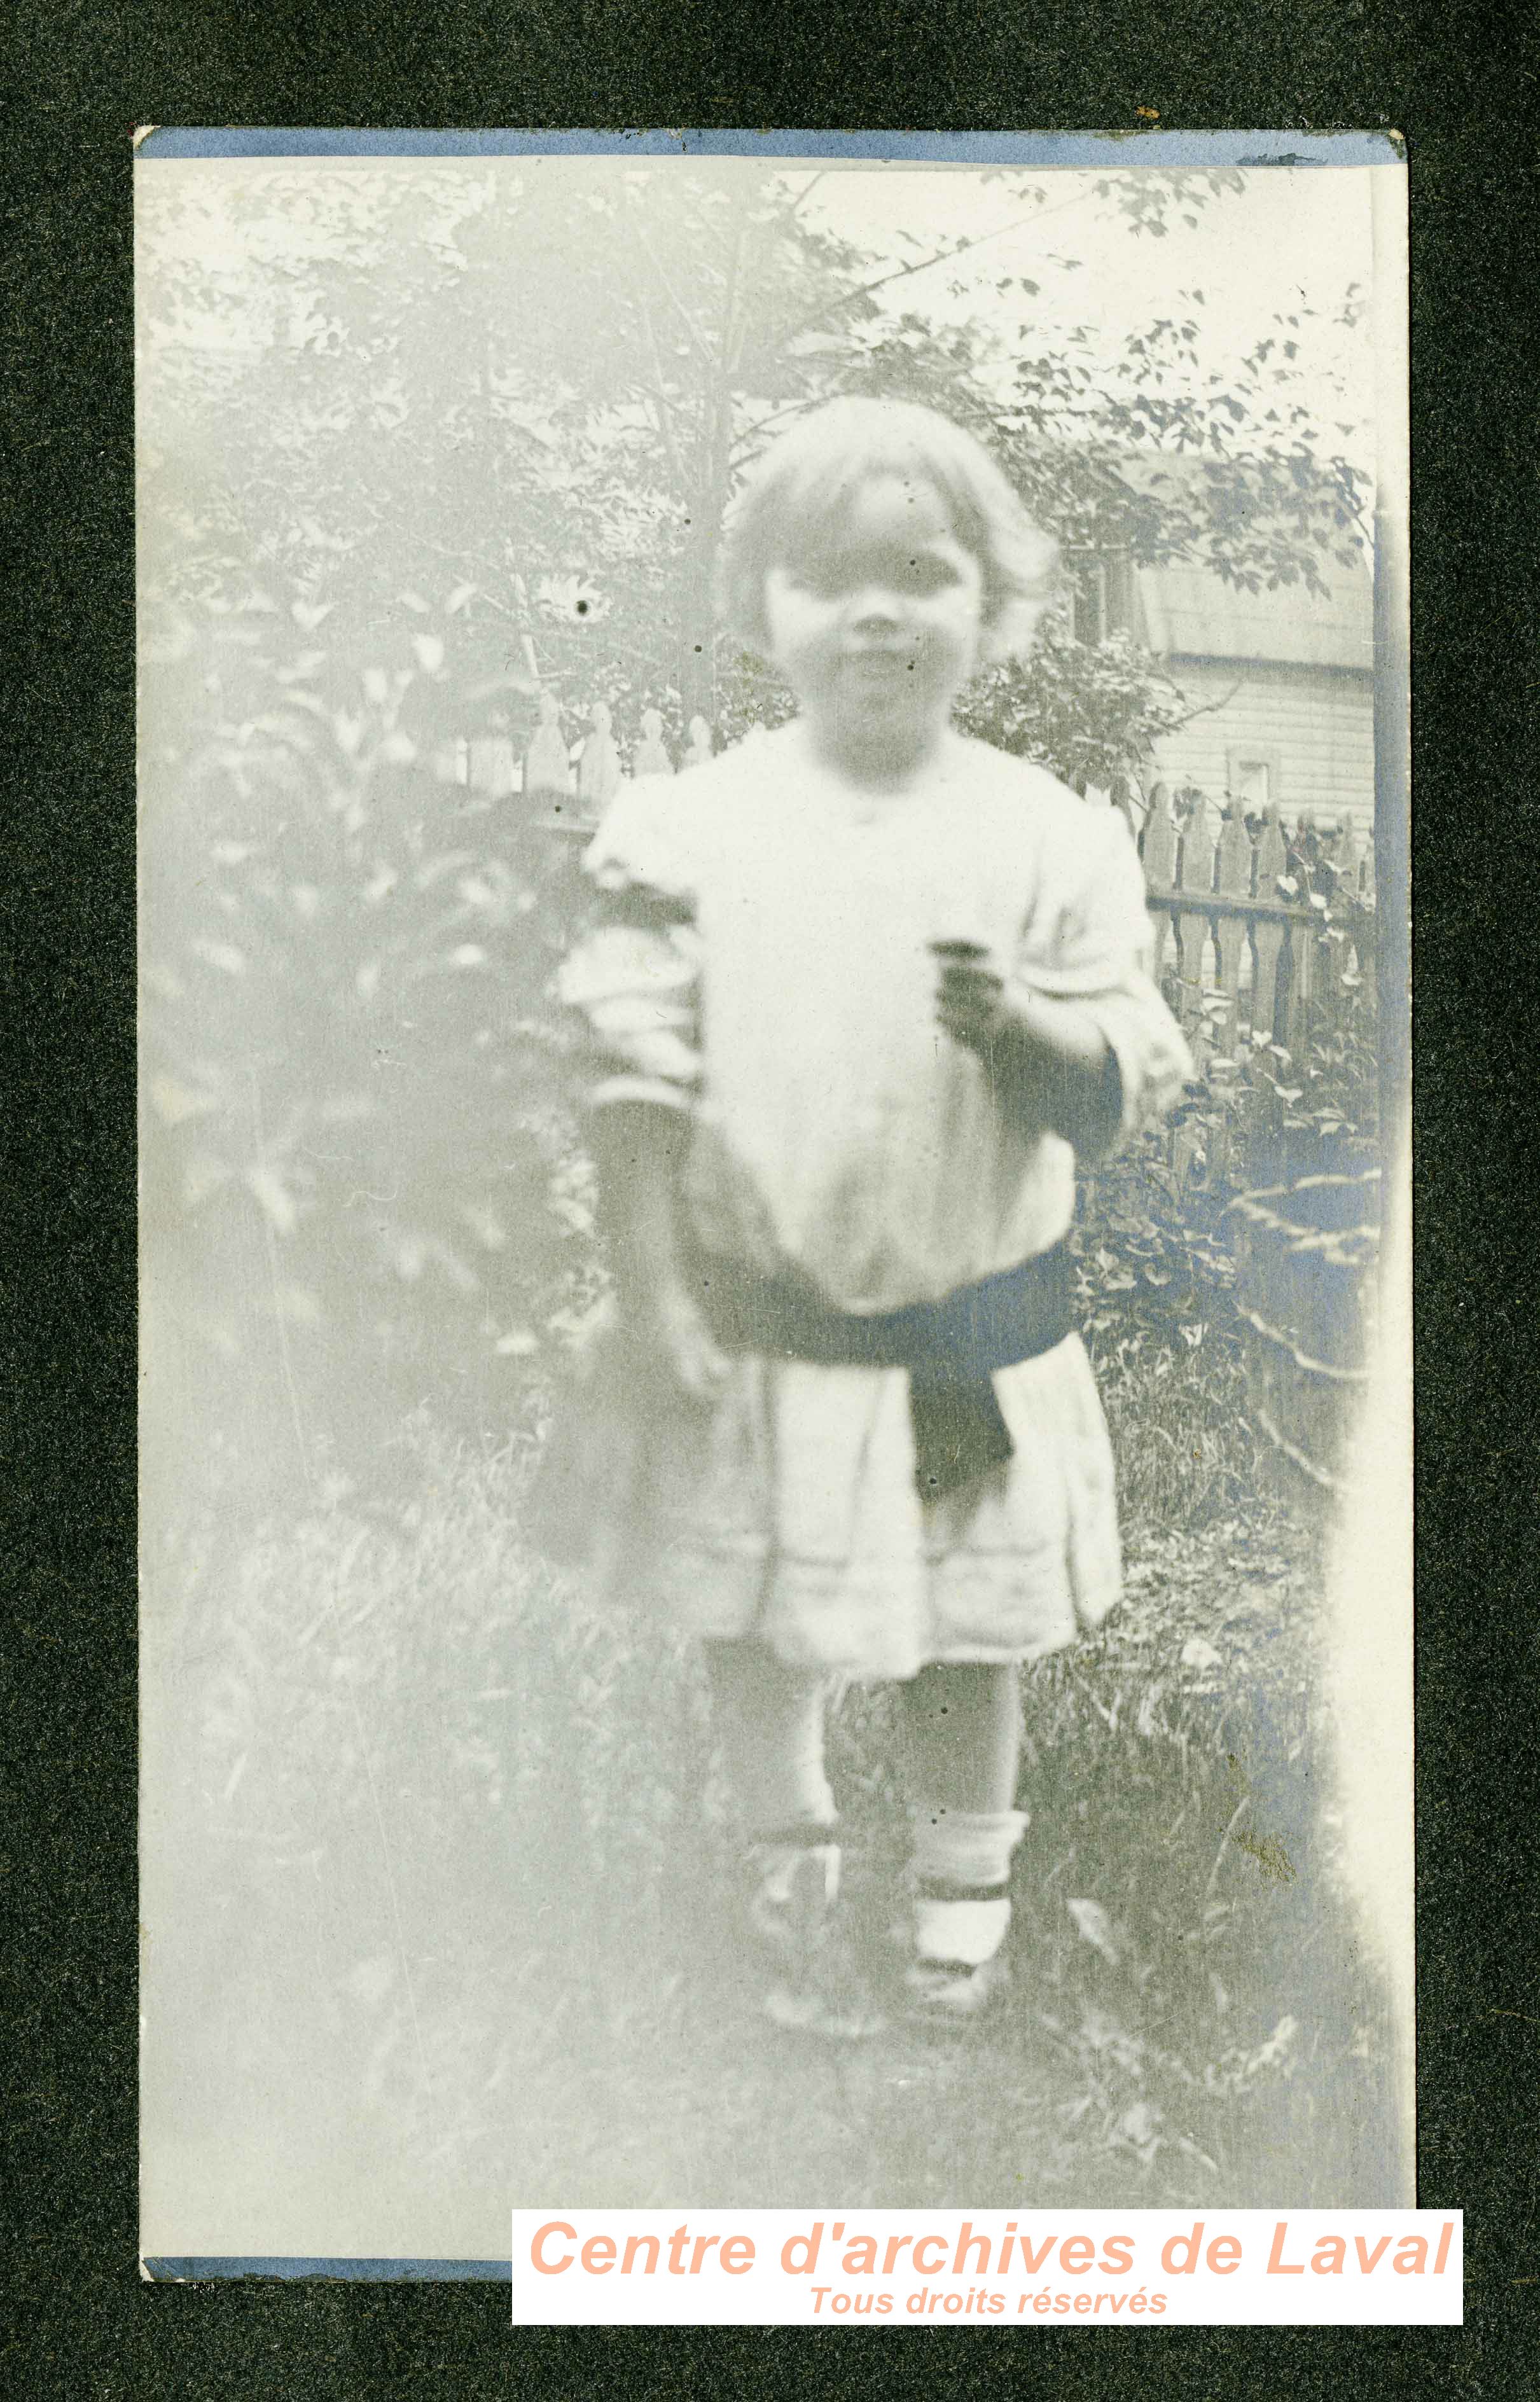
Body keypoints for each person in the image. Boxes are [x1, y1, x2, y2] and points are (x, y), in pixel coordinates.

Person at [548, 398, 1192, 2033]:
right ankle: (787, 1877)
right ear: (759, 600)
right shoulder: (693, 829)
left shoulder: (1046, 835)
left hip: (964, 1327)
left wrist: (1023, 1034)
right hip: (760, 1320)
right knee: (755, 1615)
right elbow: (630, 1076)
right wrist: (650, 1295)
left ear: (993, 601)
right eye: (829, 577)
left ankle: (957, 1918)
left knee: (964, 1635)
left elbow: (1119, 1067)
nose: (878, 613)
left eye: (922, 573)